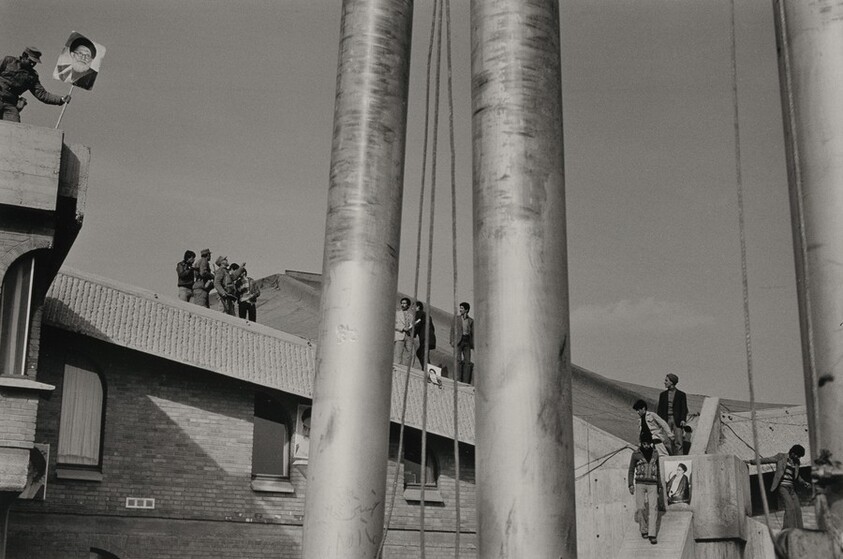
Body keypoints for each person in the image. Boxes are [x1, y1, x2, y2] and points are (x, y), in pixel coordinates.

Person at [745, 445, 812, 529]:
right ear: (793, 453)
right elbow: (767, 460)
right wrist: (750, 461)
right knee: (790, 508)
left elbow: (797, 476)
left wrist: (804, 482)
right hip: (783, 487)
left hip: (791, 488)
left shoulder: (796, 463)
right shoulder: (781, 457)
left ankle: (800, 530)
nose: (798, 458)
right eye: (797, 456)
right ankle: (787, 530)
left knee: (797, 509)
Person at [0, 47, 70, 122]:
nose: (32, 64)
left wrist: (61, 99)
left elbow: (42, 94)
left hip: (9, 104)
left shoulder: (32, 76)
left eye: (34, 62)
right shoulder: (8, 61)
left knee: (15, 126)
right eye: (30, 61)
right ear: (24, 56)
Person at [628, 430, 661, 544]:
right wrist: (630, 484)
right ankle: (644, 529)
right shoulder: (636, 454)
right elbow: (631, 469)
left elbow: (659, 470)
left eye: (648, 443)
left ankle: (652, 534)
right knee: (641, 507)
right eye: (644, 444)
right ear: (641, 443)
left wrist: (660, 485)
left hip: (653, 484)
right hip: (640, 483)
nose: (646, 446)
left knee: (653, 508)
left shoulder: (655, 453)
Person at [657, 373, 688, 455]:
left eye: (666, 380)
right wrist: (659, 422)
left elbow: (684, 408)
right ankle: (669, 458)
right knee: (666, 441)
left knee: (679, 441)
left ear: (672, 382)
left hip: (677, 420)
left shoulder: (681, 395)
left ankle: (679, 460)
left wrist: (683, 419)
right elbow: (659, 410)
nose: (664, 382)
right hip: (665, 420)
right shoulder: (662, 395)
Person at [449, 302, 474, 383]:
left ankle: (466, 381)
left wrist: (473, 345)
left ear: (466, 310)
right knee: (458, 360)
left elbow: (473, 334)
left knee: (467, 362)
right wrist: (452, 341)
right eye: (460, 308)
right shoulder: (456, 319)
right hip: (458, 341)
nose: (460, 310)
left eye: (462, 308)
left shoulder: (471, 321)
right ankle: (457, 379)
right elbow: (452, 330)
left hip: (467, 342)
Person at [413, 302, 436, 369]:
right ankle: (426, 368)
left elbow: (417, 324)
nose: (412, 308)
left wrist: (412, 334)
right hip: (430, 338)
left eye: (413, 307)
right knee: (421, 353)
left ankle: (427, 370)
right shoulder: (427, 315)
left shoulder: (419, 313)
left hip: (425, 338)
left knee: (423, 354)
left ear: (418, 307)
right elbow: (432, 327)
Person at [393, 297, 415, 366]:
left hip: (408, 336)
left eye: (404, 303)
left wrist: (411, 328)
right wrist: (402, 328)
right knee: (398, 354)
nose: (402, 305)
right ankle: (396, 370)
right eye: (402, 303)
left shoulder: (411, 316)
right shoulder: (397, 313)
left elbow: (412, 325)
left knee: (412, 353)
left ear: (408, 305)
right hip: (400, 335)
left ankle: (408, 369)